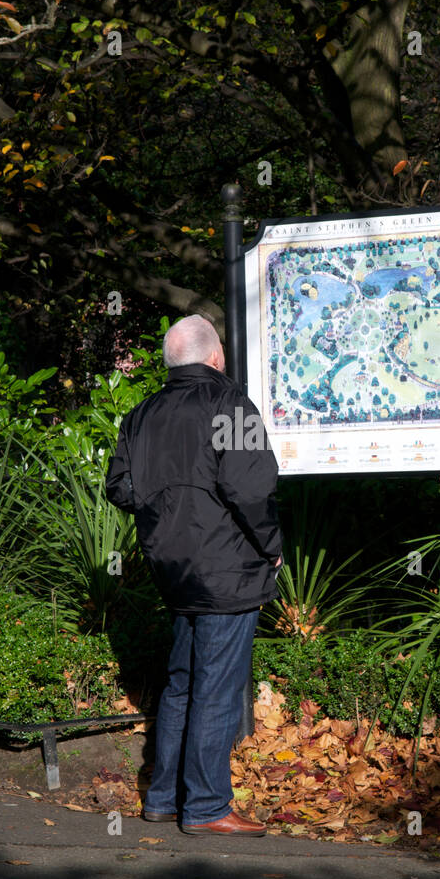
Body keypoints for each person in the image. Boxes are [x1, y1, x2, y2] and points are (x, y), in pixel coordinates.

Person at [105, 314, 283, 835]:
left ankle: (163, 797)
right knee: (216, 686)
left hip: (172, 568)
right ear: (216, 357)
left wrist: (166, 508)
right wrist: (272, 546)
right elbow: (251, 490)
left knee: (182, 680)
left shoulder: (141, 416)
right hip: (228, 567)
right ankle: (206, 806)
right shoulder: (231, 405)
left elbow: (119, 488)